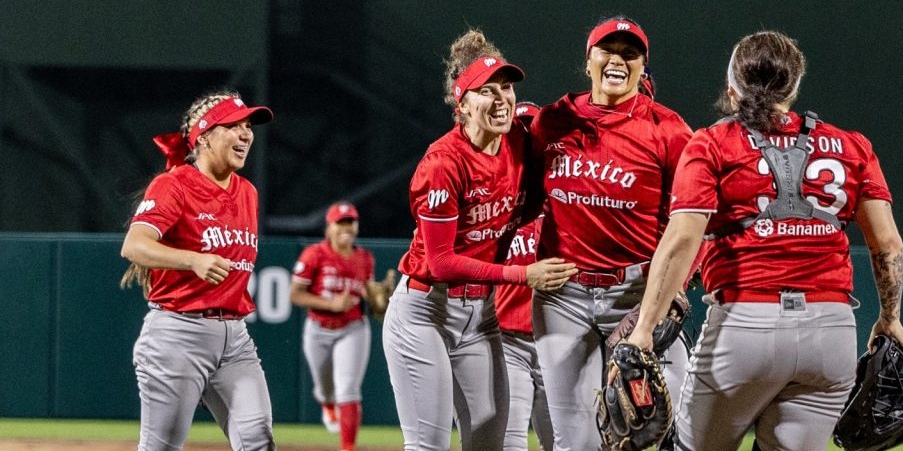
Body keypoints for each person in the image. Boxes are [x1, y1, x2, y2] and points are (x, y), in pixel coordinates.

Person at [625, 30, 903, 451]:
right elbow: (887, 244)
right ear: (793, 87)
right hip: (831, 332)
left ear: (731, 87)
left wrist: (644, 330)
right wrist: (890, 317)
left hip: (746, 325)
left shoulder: (712, 142)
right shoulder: (852, 145)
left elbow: (682, 239)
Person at [381, 30, 578, 451]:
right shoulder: (443, 163)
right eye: (485, 91)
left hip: (482, 315)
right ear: (462, 105)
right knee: (428, 444)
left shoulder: (522, 145)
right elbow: (441, 263)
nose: (501, 99)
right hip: (426, 312)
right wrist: (522, 274)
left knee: (489, 444)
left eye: (506, 87)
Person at [529, 16, 695, 451]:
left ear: (643, 67)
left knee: (659, 422)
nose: (618, 60)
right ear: (589, 61)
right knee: (575, 440)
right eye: (608, 50)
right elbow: (520, 197)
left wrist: (676, 288)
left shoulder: (669, 130)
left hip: (640, 293)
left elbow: (701, 222)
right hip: (563, 296)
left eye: (631, 53)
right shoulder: (552, 122)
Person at [119, 90, 276, 451]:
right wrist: (192, 259)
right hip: (178, 334)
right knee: (161, 447)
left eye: (248, 126)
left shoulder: (247, 192)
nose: (246, 134)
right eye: (233, 126)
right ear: (204, 136)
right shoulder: (174, 185)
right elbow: (135, 245)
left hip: (234, 338)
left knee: (257, 440)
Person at [290, 200, 396, 451]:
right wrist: (331, 304)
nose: (346, 227)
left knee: (348, 387)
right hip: (318, 328)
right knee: (326, 389)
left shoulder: (365, 259)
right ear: (329, 228)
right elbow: (295, 295)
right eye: (341, 223)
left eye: (350, 222)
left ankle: (348, 447)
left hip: (353, 328)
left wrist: (378, 301)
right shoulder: (314, 254)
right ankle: (327, 404)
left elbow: (369, 296)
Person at [494, 102, 554, 451]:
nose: (528, 138)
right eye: (521, 130)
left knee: (569, 442)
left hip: (559, 338)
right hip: (507, 339)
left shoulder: (568, 193)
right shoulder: (494, 197)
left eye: (534, 130)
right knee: (509, 442)